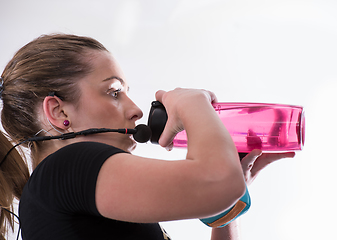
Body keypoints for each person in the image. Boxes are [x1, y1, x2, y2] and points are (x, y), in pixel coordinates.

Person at [0, 34, 295, 240]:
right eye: (115, 92)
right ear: (59, 111)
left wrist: (227, 205)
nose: (137, 110)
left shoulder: (61, 188)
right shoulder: (65, 167)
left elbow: (220, 185)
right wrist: (192, 101)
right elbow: (218, 182)